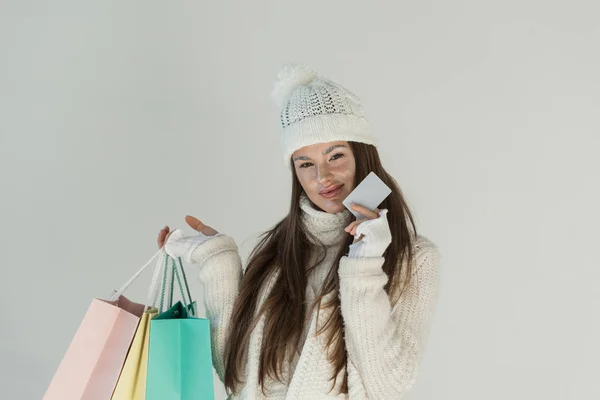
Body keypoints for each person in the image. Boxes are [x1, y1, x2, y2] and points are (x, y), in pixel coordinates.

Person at [157, 63, 441, 400]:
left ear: (364, 155)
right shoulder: (278, 253)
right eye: (305, 163)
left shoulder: (414, 259)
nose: (322, 176)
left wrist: (364, 265)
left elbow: (389, 386)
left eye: (335, 155)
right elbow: (235, 374)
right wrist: (217, 261)